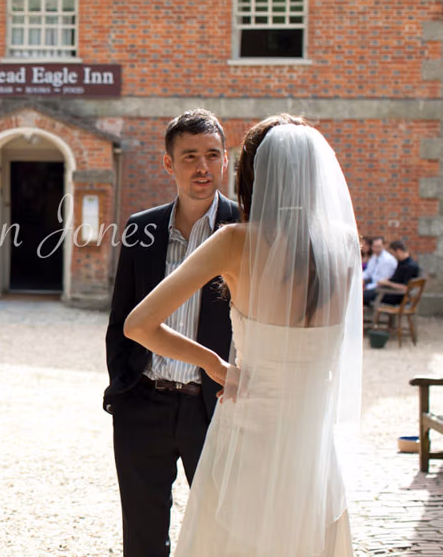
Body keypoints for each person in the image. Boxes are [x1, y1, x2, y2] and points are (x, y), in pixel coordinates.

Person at [125, 114, 362, 557]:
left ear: (251, 176)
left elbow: (138, 324)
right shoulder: (345, 245)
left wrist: (214, 365)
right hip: (310, 441)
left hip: (249, 431)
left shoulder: (235, 241)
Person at [103, 109, 239, 557]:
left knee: (221, 533)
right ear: (169, 163)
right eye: (190, 156)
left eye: (213, 155)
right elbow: (121, 320)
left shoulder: (245, 230)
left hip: (214, 408)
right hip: (144, 402)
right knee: (142, 538)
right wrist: (123, 389)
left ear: (226, 160)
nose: (203, 167)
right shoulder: (141, 229)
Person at [364, 239, 421, 306]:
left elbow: (405, 287)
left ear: (398, 251)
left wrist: (388, 283)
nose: (393, 256)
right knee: (363, 293)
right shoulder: (402, 262)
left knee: (361, 296)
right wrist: (386, 280)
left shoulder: (410, 266)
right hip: (390, 291)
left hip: (397, 295)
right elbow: (397, 278)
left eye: (392, 253)